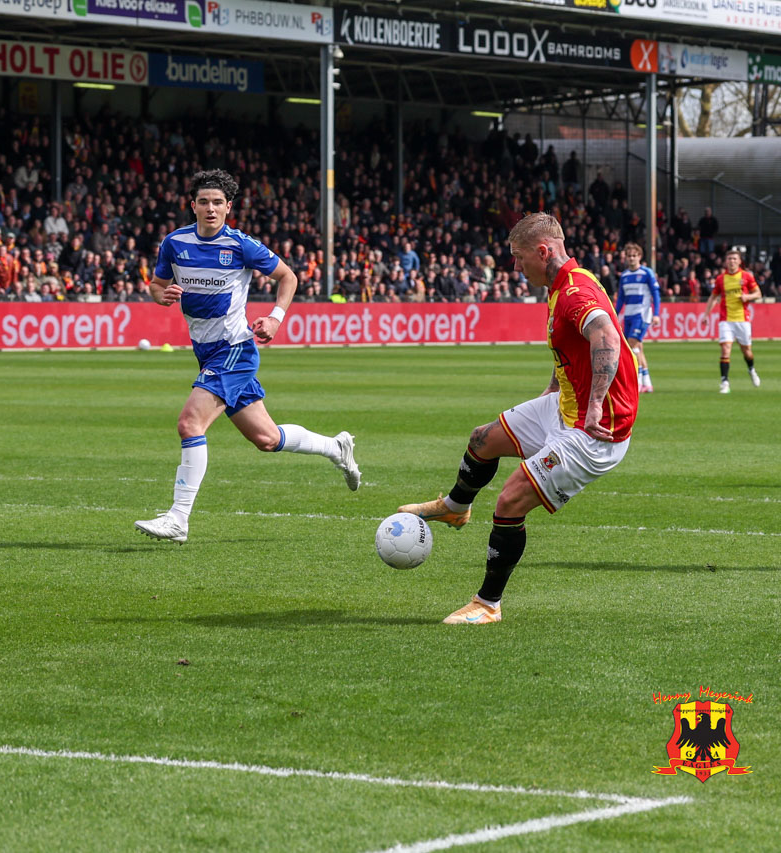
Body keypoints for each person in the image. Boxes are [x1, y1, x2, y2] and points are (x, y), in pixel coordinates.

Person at [398, 213, 638, 624]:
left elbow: (606, 338)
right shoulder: (565, 282)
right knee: (482, 439)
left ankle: (488, 604)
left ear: (543, 252)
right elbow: (571, 345)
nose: (515, 266)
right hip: (568, 403)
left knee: (510, 500)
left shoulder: (576, 292)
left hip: (596, 429)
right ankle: (456, 507)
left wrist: (596, 402)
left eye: (518, 257)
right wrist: (555, 384)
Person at [133, 170, 361, 545]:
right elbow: (157, 284)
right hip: (206, 352)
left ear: (229, 208)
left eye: (218, 203)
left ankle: (178, 518)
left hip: (234, 349)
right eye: (203, 202)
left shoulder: (241, 246)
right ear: (192, 205)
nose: (210, 208)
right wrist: (160, 294)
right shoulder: (174, 243)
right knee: (267, 439)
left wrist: (275, 317)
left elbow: (288, 277)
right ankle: (335, 447)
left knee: (190, 424)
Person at [705, 249, 761, 394]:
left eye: (734, 259)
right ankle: (725, 382)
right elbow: (713, 297)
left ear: (739, 261)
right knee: (725, 349)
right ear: (726, 261)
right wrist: (706, 314)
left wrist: (747, 298)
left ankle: (751, 369)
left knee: (747, 351)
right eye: (729, 259)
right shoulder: (720, 279)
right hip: (726, 319)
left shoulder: (746, 276)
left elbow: (758, 293)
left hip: (743, 319)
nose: (732, 261)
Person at [613, 242, 660, 393]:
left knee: (632, 345)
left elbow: (655, 294)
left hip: (642, 315)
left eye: (634, 256)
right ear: (625, 258)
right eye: (629, 256)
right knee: (637, 348)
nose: (632, 258)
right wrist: (614, 314)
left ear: (639, 257)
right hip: (629, 316)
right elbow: (621, 298)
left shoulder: (647, 273)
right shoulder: (625, 276)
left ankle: (637, 381)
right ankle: (647, 383)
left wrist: (656, 314)